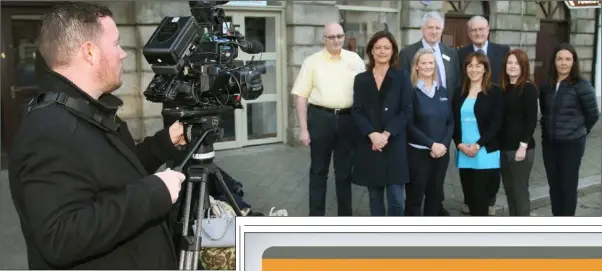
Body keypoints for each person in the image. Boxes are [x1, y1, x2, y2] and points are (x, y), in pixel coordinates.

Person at [8, 3, 186, 269]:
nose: (123, 54)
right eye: (115, 44)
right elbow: (61, 237)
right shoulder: (49, 131)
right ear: (90, 52)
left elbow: (112, 175)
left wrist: (164, 143)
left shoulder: (84, 110)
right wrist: (153, 194)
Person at [291, 23, 365, 216]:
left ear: (344, 37)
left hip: (348, 120)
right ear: (324, 39)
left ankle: (345, 220)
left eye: (339, 36)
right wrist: (303, 129)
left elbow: (365, 92)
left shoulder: (355, 60)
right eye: (331, 37)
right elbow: (300, 96)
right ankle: (316, 220)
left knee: (344, 174)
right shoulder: (312, 62)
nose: (336, 40)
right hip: (320, 119)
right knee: (318, 171)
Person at [398, 11, 460, 216]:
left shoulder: (451, 54)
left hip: (441, 137)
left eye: (437, 28)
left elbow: (454, 99)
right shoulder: (407, 53)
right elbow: (408, 119)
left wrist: (443, 142)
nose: (434, 31)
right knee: (415, 193)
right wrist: (431, 144)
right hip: (418, 143)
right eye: (430, 27)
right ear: (422, 29)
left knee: (436, 191)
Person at [351, 31, 413, 216]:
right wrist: (372, 135)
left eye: (386, 47)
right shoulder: (361, 79)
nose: (382, 51)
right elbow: (357, 110)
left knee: (396, 199)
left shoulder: (401, 76)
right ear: (371, 51)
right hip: (371, 144)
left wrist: (385, 134)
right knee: (375, 197)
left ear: (393, 50)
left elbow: (406, 110)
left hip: (393, 143)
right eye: (378, 47)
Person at [457, 15, 510, 215]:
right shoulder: (461, 53)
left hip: (491, 129)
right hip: (467, 136)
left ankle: (487, 207)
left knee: (487, 186)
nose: (478, 33)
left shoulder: (502, 51)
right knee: (472, 192)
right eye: (474, 30)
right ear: (469, 33)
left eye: (482, 29)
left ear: (488, 29)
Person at [539, 43, 600, 216]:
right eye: (559, 59)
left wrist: (578, 132)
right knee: (554, 186)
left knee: (567, 186)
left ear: (574, 62)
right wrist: (546, 133)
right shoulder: (546, 85)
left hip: (572, 145)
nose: (563, 63)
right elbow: (545, 112)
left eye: (568, 59)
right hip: (550, 144)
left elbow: (593, 115)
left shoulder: (582, 85)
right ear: (554, 62)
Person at [452, 51, 503, 216]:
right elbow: (453, 122)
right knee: (470, 198)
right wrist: (459, 144)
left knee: (481, 198)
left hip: (485, 151)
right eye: (470, 65)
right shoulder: (459, 92)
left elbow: (496, 124)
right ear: (465, 69)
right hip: (464, 151)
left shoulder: (494, 92)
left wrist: (478, 145)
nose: (473, 69)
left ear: (485, 69)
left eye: (478, 66)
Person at [405, 48, 454, 216]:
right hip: (418, 154)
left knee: (435, 197)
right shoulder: (410, 92)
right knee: (414, 197)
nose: (427, 66)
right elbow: (409, 126)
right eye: (423, 63)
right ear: (416, 66)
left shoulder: (442, 91)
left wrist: (443, 145)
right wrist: (431, 145)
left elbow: (450, 122)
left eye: (431, 63)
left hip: (441, 154)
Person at [499, 49, 538, 216]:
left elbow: (531, 120)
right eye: (509, 62)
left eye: (516, 63)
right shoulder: (504, 88)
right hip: (504, 148)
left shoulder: (528, 88)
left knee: (520, 193)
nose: (512, 66)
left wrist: (523, 146)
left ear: (523, 66)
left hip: (521, 149)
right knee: (510, 192)